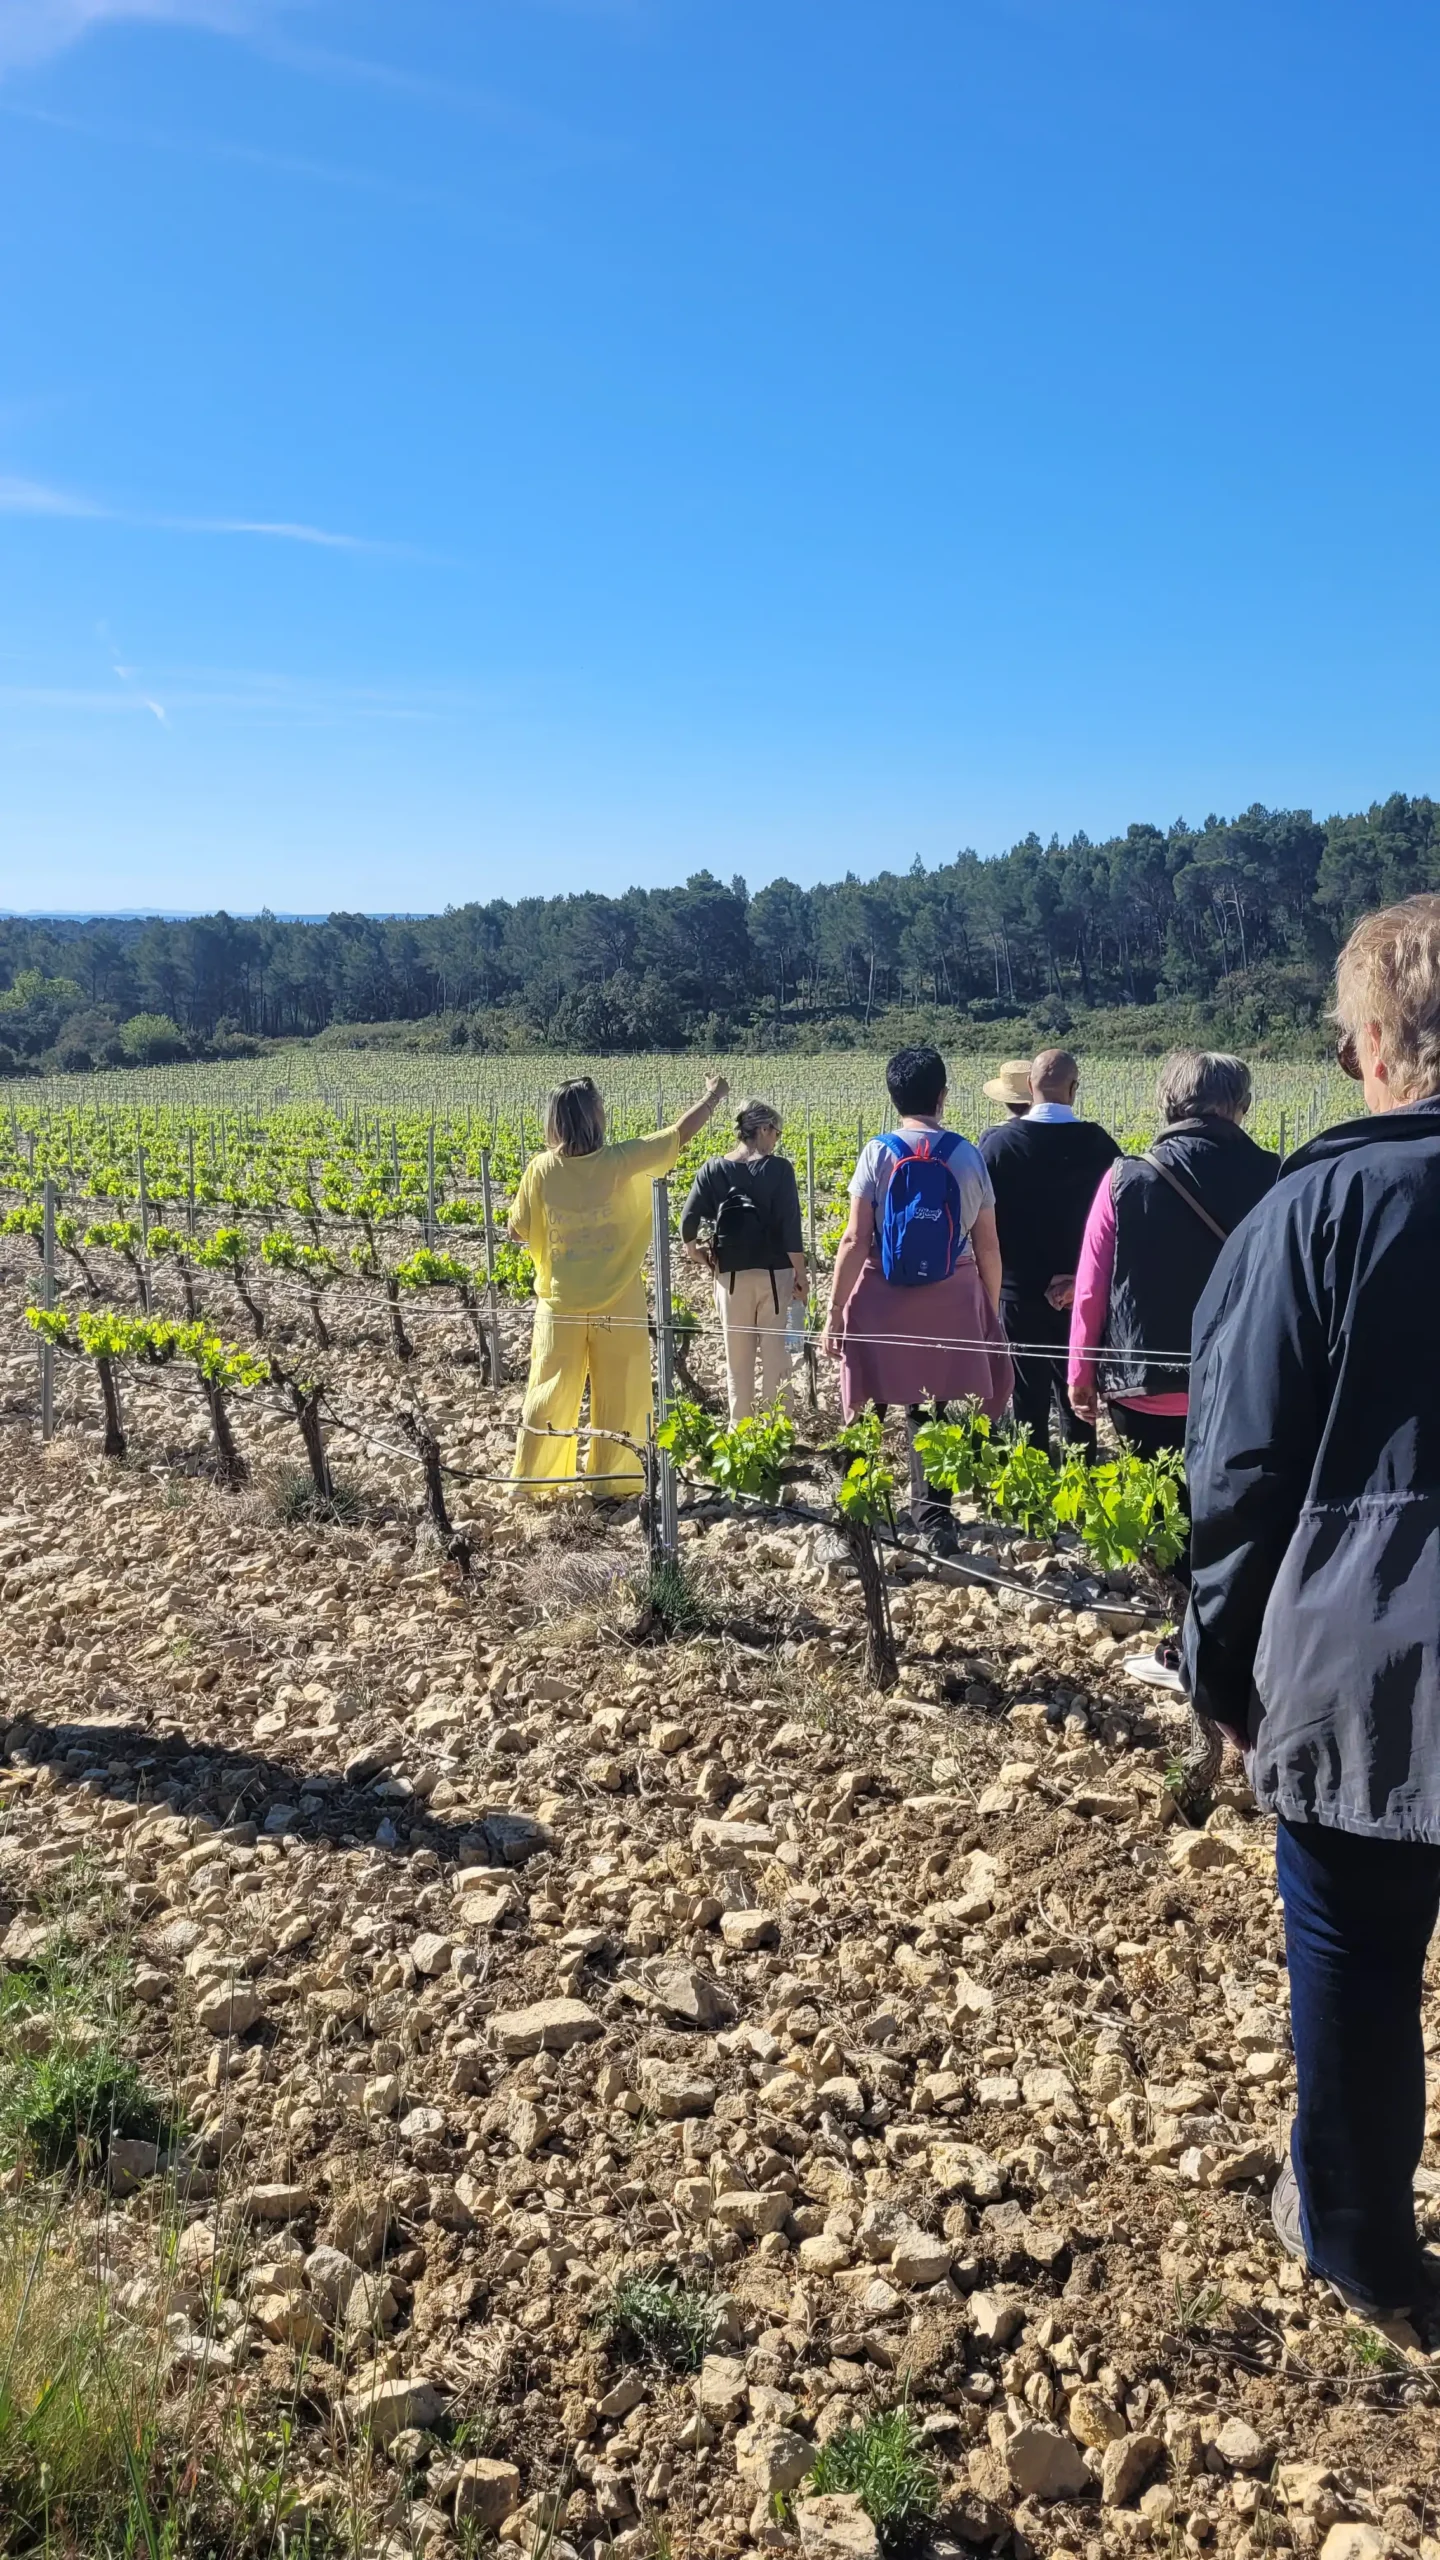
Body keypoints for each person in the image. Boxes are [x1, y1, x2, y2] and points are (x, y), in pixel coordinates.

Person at [1183, 896, 1440, 2340]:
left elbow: (1239, 1482)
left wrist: (1222, 1676)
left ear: (1379, 1044)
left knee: (1355, 1957)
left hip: (1361, 1665)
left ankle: (1361, 2246)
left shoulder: (1309, 1215)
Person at [823, 1044, 1011, 1554]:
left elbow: (855, 1239)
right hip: (950, 1300)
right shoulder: (968, 1155)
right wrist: (987, 1310)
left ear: (893, 1097)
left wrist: (835, 1311)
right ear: (942, 1096)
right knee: (935, 1410)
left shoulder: (877, 1152)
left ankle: (855, 1520)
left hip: (880, 1298)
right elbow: (988, 1245)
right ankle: (935, 1523)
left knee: (866, 1405)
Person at [509, 1070, 728, 1497]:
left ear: (555, 1121)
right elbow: (678, 1136)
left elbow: (518, 1229)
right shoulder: (621, 1161)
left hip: (560, 1303)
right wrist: (712, 1097)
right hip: (619, 1300)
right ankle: (616, 1482)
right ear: (595, 1117)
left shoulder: (540, 1170)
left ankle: (533, 1482)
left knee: (548, 1390)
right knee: (623, 1391)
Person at [1067, 1049, 1277, 1471]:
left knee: (1157, 1504)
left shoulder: (1125, 1179)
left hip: (1146, 1386)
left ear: (1168, 1103)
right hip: (1242, 1386)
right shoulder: (1277, 1176)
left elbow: (1092, 1287)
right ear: (1242, 1106)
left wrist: (1080, 1373)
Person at [978, 1047, 1120, 1455]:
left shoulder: (997, 1147)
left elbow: (981, 1226)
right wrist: (1079, 1280)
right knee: (1079, 1393)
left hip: (1017, 1293)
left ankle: (1031, 1479)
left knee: (1026, 1397)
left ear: (1029, 1086)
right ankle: (1081, 1478)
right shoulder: (1100, 1146)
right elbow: (1118, 1225)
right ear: (1074, 1089)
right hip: (1081, 1292)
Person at [680, 1099, 806, 1424]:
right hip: (775, 1276)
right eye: (776, 1132)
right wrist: (801, 1276)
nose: (777, 1139)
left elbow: (687, 1223)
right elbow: (791, 1232)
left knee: (738, 1361)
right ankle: (777, 1430)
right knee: (776, 1358)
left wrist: (697, 1254)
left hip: (730, 1277)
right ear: (763, 1129)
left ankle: (741, 1431)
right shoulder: (780, 1169)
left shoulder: (712, 1169)